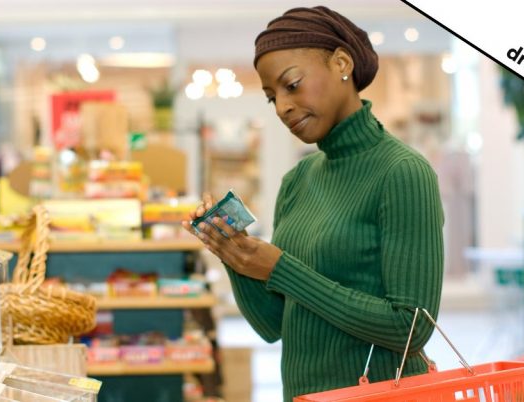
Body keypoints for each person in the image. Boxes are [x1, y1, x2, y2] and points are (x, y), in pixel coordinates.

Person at [182, 5, 444, 400]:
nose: (283, 107)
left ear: (342, 63)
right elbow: (275, 326)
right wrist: (234, 255)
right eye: (272, 99)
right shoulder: (297, 182)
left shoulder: (403, 172)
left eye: (292, 85)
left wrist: (281, 268)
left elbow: (411, 328)